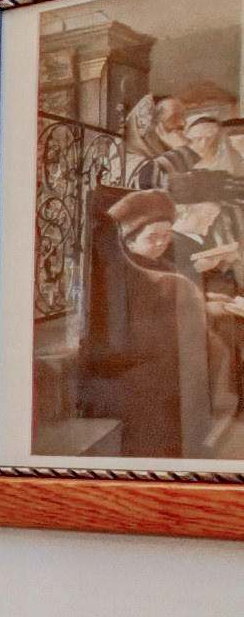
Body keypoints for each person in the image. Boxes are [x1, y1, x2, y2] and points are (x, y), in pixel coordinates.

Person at [80, 189, 213, 456]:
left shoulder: (163, 267)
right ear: (128, 241)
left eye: (166, 237)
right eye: (152, 238)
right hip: (141, 379)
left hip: (166, 377)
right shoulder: (127, 277)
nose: (160, 244)